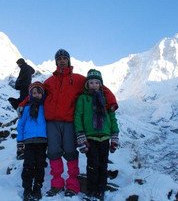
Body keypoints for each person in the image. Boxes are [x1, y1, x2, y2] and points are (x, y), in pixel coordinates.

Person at [18, 49, 118, 197]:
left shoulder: (78, 79)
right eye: (59, 59)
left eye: (65, 58)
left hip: (69, 122)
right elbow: (36, 92)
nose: (62, 60)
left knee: (71, 153)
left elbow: (99, 87)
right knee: (53, 153)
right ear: (56, 62)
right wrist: (23, 103)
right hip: (52, 122)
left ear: (69, 61)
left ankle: (72, 185)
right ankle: (57, 184)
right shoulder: (50, 81)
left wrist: (111, 102)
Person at [74, 69, 119, 201]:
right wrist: (80, 135)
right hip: (90, 137)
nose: (94, 85)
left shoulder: (105, 99)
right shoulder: (83, 98)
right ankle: (91, 190)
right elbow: (78, 116)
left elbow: (112, 117)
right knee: (92, 163)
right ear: (87, 84)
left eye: (96, 83)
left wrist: (114, 135)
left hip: (105, 137)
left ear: (101, 85)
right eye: (91, 82)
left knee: (103, 164)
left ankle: (100, 190)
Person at [16, 81, 48, 201]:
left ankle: (37, 188)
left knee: (40, 165)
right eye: (34, 92)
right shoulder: (26, 108)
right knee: (28, 165)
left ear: (43, 94)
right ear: (30, 94)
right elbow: (21, 125)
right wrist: (20, 141)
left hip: (42, 141)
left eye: (39, 92)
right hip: (28, 141)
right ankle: (27, 189)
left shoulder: (46, 107)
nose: (36, 95)